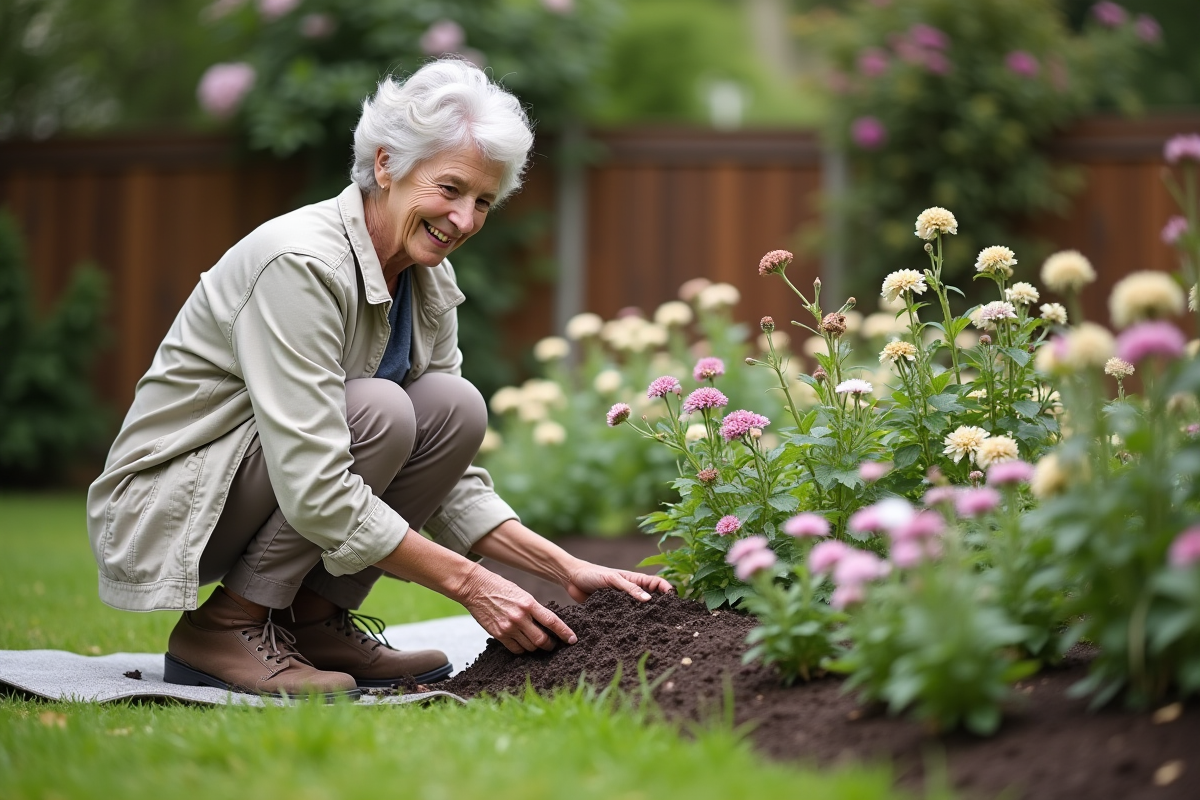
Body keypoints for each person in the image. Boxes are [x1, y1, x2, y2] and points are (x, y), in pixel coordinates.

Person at [86, 58, 669, 699]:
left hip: (263, 487)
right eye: (450, 188)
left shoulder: (427, 277)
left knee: (454, 407)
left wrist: (564, 567)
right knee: (381, 410)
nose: (466, 220)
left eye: (483, 202)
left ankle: (312, 620)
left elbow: (453, 482)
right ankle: (225, 626)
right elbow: (317, 486)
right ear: (387, 165)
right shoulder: (300, 263)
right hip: (169, 504)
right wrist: (472, 584)